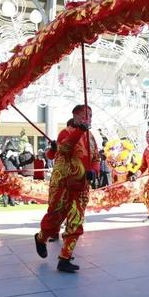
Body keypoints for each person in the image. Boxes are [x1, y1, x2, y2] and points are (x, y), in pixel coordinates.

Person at [34, 104, 99, 273]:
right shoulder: (66, 133)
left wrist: (94, 171)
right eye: (85, 115)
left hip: (81, 186)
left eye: (91, 115)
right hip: (63, 184)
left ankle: (65, 257)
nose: (89, 119)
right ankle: (41, 238)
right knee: (54, 218)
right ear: (76, 117)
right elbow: (65, 148)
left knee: (76, 221)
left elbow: (96, 158)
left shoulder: (91, 137)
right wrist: (79, 131)